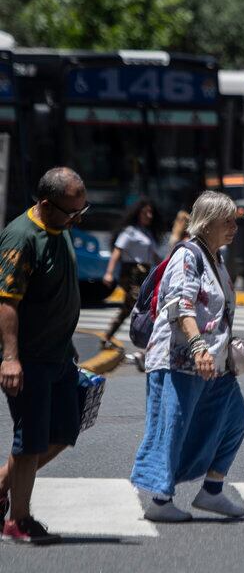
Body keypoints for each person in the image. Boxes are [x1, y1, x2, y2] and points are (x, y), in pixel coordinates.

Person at [130, 191, 244, 523]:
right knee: (173, 426)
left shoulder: (216, 259)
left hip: (214, 363)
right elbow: (180, 305)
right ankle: (160, 499)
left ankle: (212, 490)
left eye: (234, 221)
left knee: (235, 418)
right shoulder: (188, 256)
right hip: (179, 360)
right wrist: (198, 346)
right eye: (227, 221)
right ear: (207, 223)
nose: (234, 227)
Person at [0, 168, 88, 544]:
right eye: (72, 212)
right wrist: (10, 358)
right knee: (31, 440)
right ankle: (18, 520)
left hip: (59, 354)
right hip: (30, 357)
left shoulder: (59, 226)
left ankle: (1, 484)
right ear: (47, 205)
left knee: (65, 431)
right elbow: (6, 302)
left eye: (82, 210)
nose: (77, 219)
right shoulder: (22, 237)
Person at [101, 199, 164, 349]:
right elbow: (117, 251)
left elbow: (154, 256)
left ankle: (111, 336)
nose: (149, 216)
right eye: (145, 212)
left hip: (145, 273)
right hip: (132, 273)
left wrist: (167, 266)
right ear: (137, 214)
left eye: (150, 213)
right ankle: (110, 336)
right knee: (135, 305)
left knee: (143, 304)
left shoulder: (147, 233)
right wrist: (109, 273)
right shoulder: (130, 231)